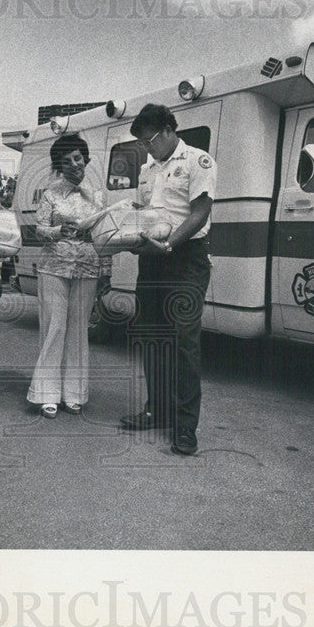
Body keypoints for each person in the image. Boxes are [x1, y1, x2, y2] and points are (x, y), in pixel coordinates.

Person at [120, 104, 215, 455]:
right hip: (153, 260)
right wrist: (129, 234)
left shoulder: (197, 160)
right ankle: (156, 409)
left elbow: (201, 211)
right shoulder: (147, 170)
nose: (146, 148)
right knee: (151, 336)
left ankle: (186, 425)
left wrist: (170, 244)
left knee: (184, 342)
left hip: (185, 258)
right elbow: (146, 212)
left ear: (167, 131)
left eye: (148, 140)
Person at [27, 134, 111, 418]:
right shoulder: (50, 194)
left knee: (78, 331)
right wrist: (56, 231)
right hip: (54, 265)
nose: (74, 165)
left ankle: (74, 393)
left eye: (77, 158)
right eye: (66, 162)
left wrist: (106, 270)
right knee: (55, 328)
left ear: (85, 158)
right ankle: (46, 394)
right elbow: (38, 229)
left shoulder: (99, 196)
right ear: (59, 168)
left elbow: (106, 235)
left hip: (87, 266)